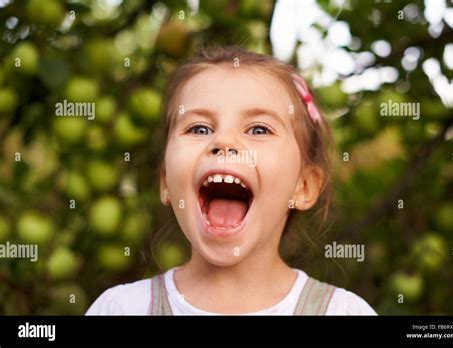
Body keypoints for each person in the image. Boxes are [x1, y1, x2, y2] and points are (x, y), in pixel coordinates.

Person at [86, 46, 376, 315]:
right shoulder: (122, 308)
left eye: (259, 129)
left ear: (303, 186)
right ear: (165, 182)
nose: (224, 140)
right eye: (199, 128)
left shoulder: (343, 312)